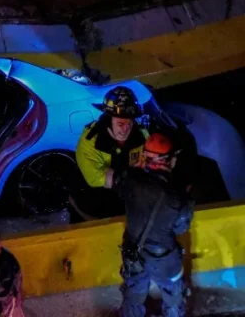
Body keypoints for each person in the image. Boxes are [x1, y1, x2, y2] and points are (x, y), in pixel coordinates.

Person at [112, 133, 194, 317]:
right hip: (162, 257)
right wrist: (187, 199)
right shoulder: (177, 196)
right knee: (174, 295)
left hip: (132, 251)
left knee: (133, 296)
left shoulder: (131, 180)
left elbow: (118, 184)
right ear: (167, 160)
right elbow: (180, 228)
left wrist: (134, 170)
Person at [72, 86, 148, 219]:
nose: (125, 129)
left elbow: (149, 160)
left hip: (125, 203)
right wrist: (130, 179)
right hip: (91, 205)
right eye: (120, 124)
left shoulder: (141, 136)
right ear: (109, 120)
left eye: (129, 124)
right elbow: (94, 178)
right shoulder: (91, 139)